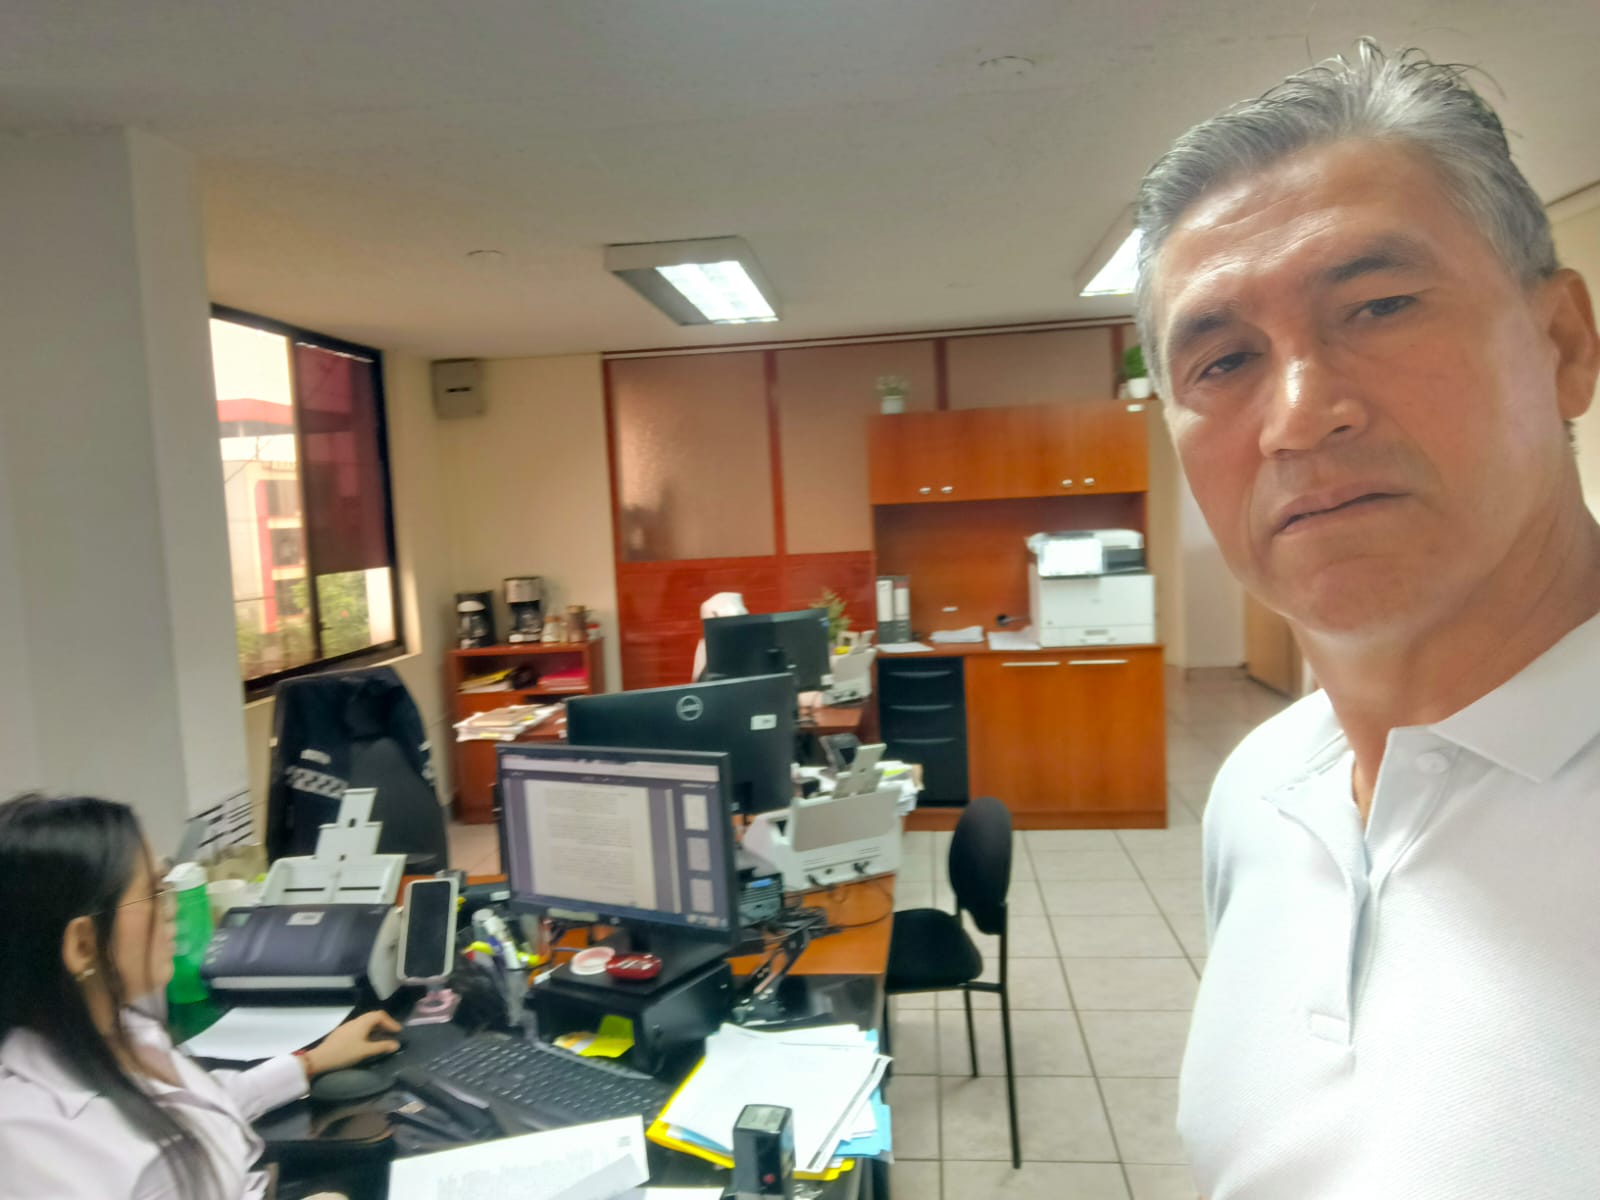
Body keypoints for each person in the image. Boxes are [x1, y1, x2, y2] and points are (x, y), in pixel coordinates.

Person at [1134, 40, 1600, 1199]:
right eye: (1222, 361)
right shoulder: (1258, 793)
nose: (1298, 416)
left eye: (1380, 306)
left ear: (1562, 345)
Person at [0, 793, 404, 1199]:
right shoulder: (40, 1149)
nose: (171, 909)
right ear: (83, 945)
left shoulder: (119, 1029)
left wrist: (310, 1062)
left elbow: (198, 1105)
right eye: (154, 892)